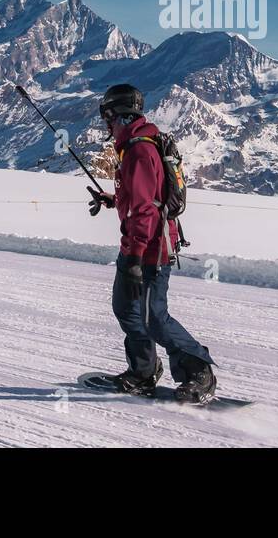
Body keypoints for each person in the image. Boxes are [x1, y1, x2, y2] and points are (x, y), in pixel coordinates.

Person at [88, 83, 217, 404]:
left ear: (114, 114)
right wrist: (112, 199)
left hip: (152, 248)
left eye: (106, 116)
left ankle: (198, 370)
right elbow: (141, 197)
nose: (105, 123)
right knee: (126, 310)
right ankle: (143, 373)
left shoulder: (139, 149)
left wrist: (133, 259)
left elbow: (145, 209)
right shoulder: (133, 144)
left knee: (153, 316)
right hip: (138, 244)